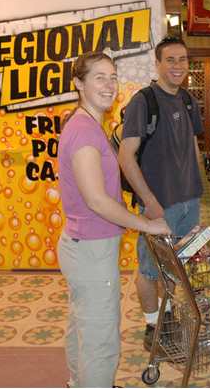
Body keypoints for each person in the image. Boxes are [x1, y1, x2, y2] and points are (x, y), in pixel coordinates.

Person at [57, 51, 171, 388]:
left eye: (112, 76)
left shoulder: (88, 124)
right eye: (99, 78)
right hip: (90, 251)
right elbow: (96, 200)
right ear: (79, 83)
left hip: (84, 246)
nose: (109, 85)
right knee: (101, 340)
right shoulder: (84, 132)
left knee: (84, 326)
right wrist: (148, 224)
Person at [118, 36, 204, 351]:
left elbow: (192, 144)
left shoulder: (188, 100)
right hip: (159, 205)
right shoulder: (144, 101)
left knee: (176, 265)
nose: (178, 65)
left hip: (189, 202)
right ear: (157, 63)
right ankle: (152, 325)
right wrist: (150, 202)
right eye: (170, 59)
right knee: (149, 268)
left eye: (182, 59)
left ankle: (167, 315)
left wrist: (198, 186)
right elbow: (126, 156)